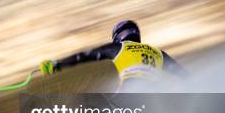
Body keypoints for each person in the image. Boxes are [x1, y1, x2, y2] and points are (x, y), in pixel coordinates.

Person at [40, 20, 187, 90]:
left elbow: (85, 56)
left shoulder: (119, 48)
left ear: (118, 35)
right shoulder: (158, 53)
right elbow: (183, 74)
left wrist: (57, 64)